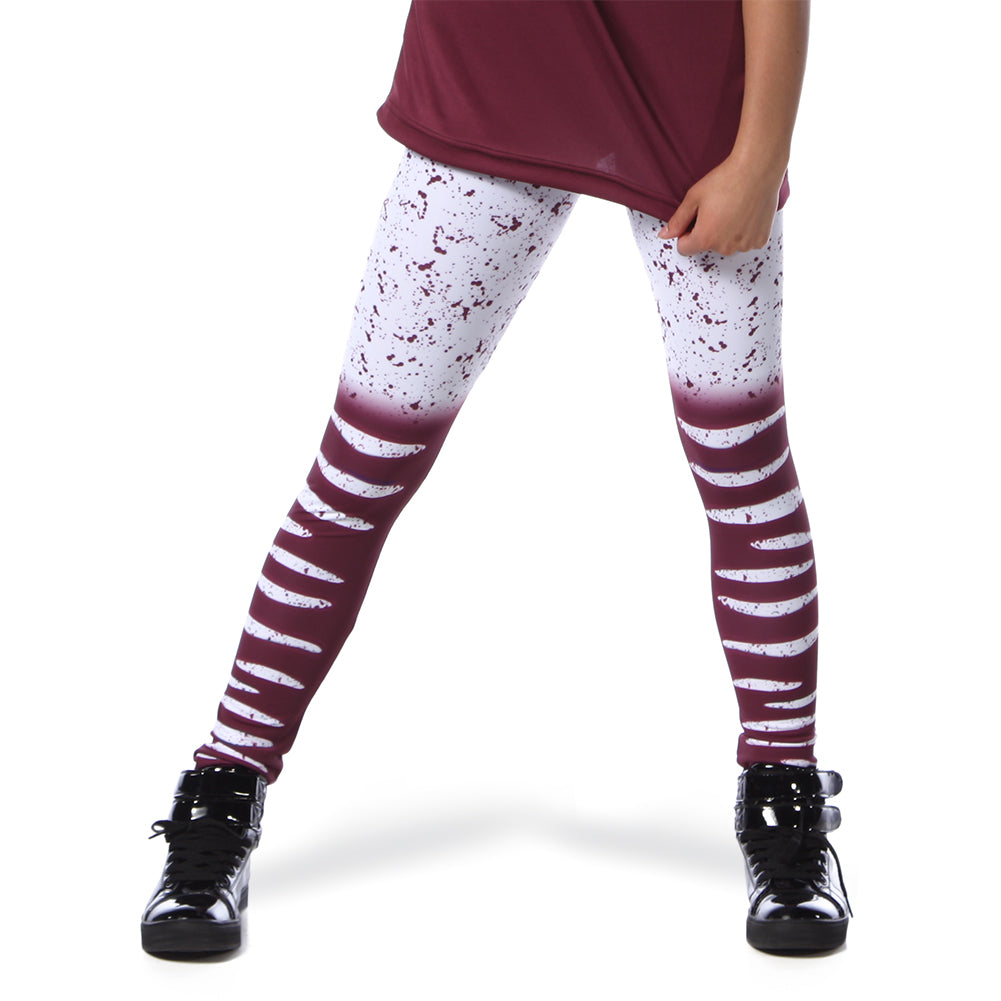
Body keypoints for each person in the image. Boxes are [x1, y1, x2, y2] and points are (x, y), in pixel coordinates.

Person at [141, 0, 850, 958]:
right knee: (362, 464)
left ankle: (783, 792)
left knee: (741, 465)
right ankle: (222, 787)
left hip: (692, 117)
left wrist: (761, 155)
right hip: (489, 74)